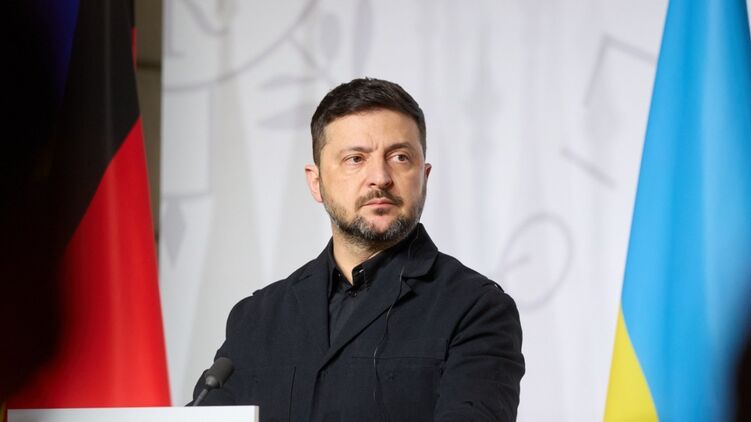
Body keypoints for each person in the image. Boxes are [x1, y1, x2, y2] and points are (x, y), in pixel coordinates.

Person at [193, 78, 525, 421]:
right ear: (316, 182)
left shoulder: (476, 309)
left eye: (400, 157)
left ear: (424, 177)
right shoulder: (256, 317)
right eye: (355, 159)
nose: (380, 177)